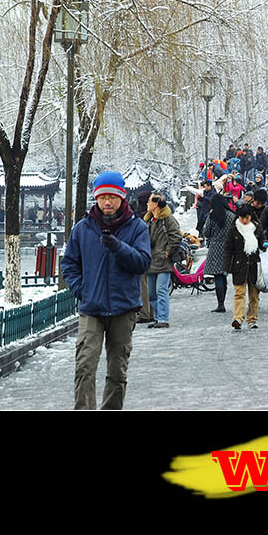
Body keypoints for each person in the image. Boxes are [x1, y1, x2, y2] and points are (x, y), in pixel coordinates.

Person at [61, 171, 151, 410]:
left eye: (112, 196)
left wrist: (118, 247)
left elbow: (142, 263)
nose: (107, 202)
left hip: (124, 308)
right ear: (96, 199)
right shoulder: (83, 228)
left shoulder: (137, 228)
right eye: (102, 197)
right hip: (91, 308)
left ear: (122, 197)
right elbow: (69, 264)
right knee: (84, 366)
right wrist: (82, 289)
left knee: (117, 370)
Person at [222, 203, 268, 330]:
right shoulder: (234, 229)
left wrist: (264, 244)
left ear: (250, 216)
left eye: (246, 218)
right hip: (239, 266)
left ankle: (252, 319)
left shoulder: (257, 227)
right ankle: (238, 318)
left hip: (254, 266)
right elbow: (228, 249)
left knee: (254, 296)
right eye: (242, 218)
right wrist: (225, 267)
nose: (244, 220)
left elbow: (262, 241)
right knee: (239, 293)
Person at [143, 193, 182, 329]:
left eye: (149, 201)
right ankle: (157, 317)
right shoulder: (148, 220)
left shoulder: (168, 219)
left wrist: (168, 251)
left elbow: (177, 235)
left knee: (161, 290)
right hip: (150, 260)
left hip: (163, 261)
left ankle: (163, 318)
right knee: (151, 293)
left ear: (156, 205)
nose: (147, 204)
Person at [202, 193, 237, 313]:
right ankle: (223, 302)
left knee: (217, 276)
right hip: (228, 247)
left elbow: (206, 232)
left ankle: (220, 304)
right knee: (224, 273)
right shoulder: (232, 216)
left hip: (215, 247)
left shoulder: (212, 216)